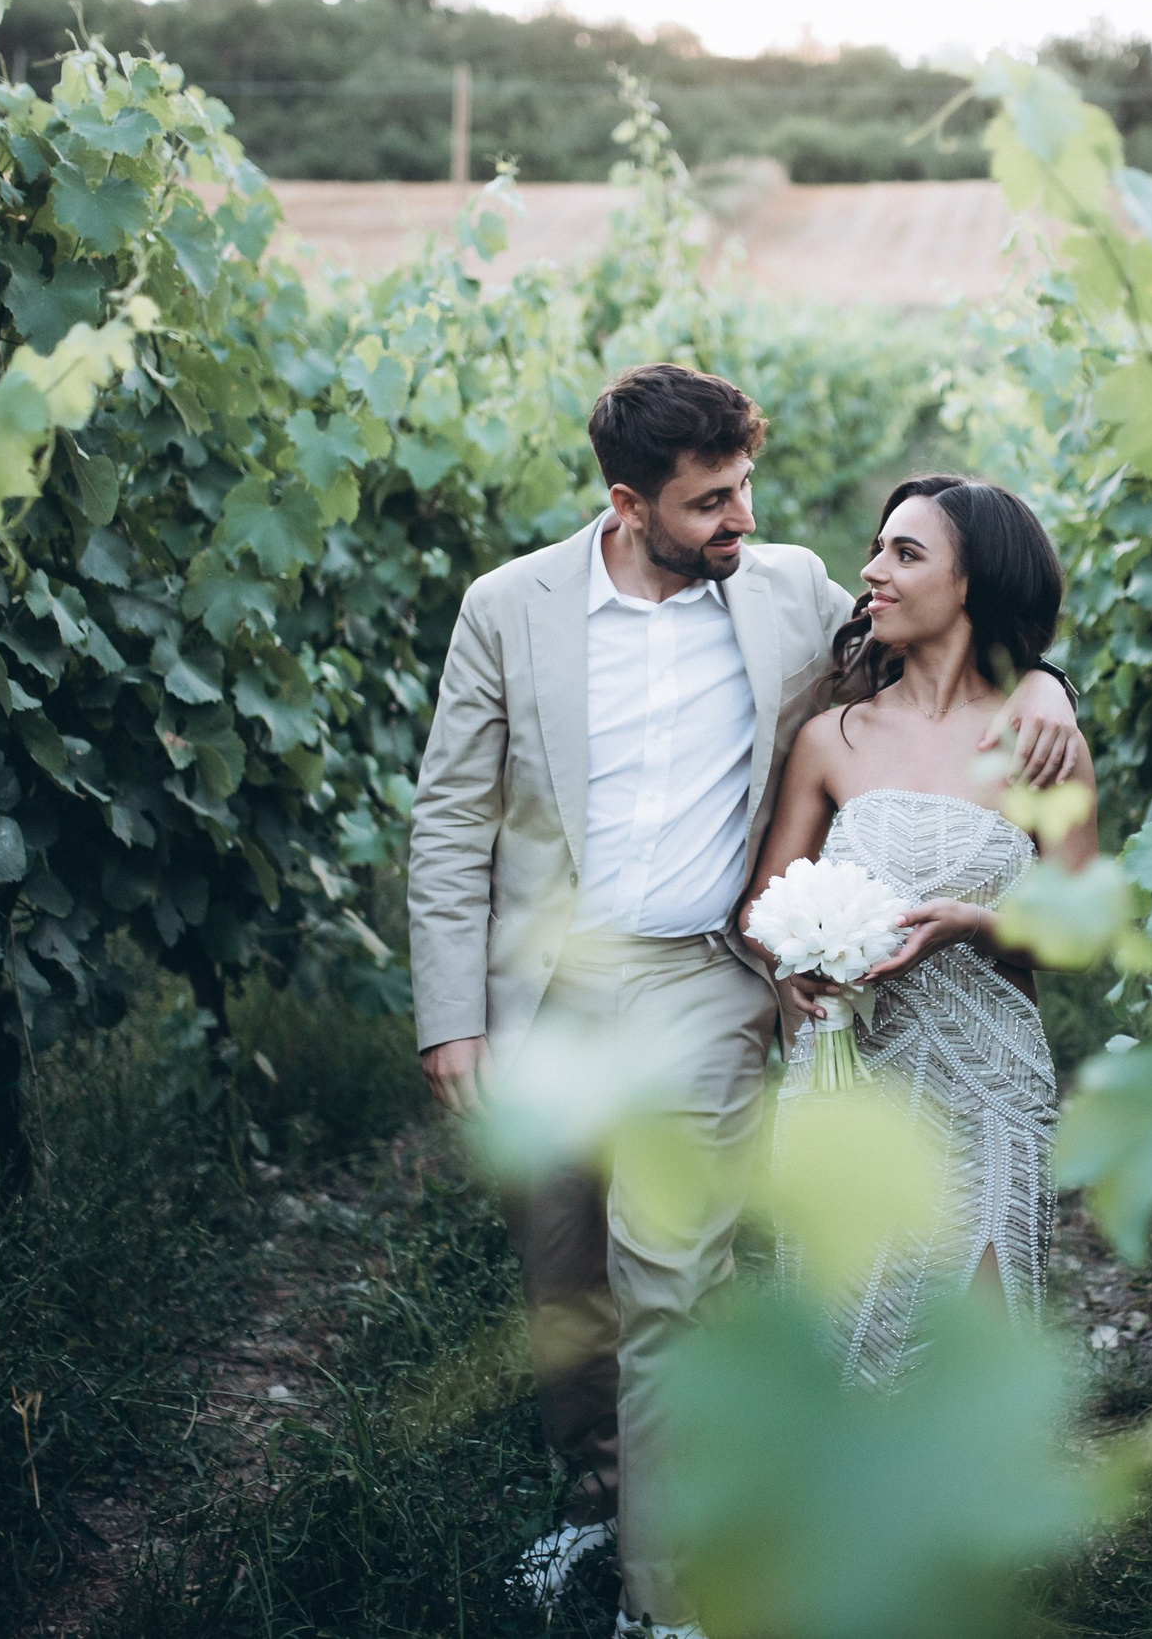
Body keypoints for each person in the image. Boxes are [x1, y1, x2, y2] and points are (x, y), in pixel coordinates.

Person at [404, 367, 1083, 1639]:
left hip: (704, 983)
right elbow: (451, 818)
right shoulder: (509, 607)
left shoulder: (782, 589)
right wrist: (453, 1016)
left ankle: (665, 1608)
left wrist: (1043, 691)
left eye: (745, 488)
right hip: (547, 984)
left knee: (667, 1278)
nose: (743, 519)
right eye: (712, 501)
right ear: (628, 501)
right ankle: (599, 1500)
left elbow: (948, 642)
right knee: (563, 1275)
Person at [740, 475, 1097, 1387]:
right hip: (853, 1078)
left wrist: (978, 924)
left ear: (972, 581)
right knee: (847, 1349)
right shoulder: (833, 738)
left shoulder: (1040, 740)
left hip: (991, 1082)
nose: (873, 573)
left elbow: (1080, 933)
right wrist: (799, 961)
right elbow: (763, 910)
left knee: (974, 1359)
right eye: (878, 549)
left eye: (906, 554)